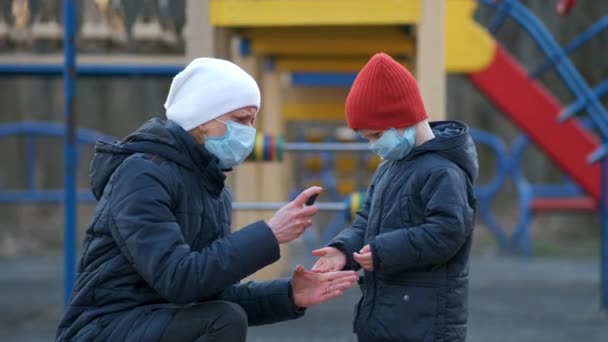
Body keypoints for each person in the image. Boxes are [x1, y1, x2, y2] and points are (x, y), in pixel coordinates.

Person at [56, 57, 359, 341]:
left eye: (252, 121)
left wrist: (290, 295)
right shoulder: (142, 175)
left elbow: (211, 293)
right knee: (224, 320)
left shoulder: (212, 189)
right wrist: (270, 234)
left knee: (224, 314)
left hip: (154, 320)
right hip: (103, 328)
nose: (249, 133)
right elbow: (179, 278)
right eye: (241, 119)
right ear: (201, 119)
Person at [312, 53, 479, 341]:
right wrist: (344, 250)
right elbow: (367, 221)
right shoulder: (389, 169)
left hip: (425, 323)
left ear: (403, 119)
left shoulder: (443, 172)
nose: (373, 146)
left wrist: (383, 252)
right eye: (367, 138)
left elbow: (447, 232)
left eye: (376, 135)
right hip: (388, 315)